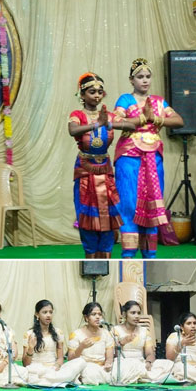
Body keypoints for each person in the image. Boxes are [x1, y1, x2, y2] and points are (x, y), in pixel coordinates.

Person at [113, 58, 183, 259]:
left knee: (153, 203)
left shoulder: (159, 102)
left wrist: (156, 119)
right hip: (129, 156)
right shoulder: (126, 100)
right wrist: (142, 119)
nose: (144, 80)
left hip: (153, 157)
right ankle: (128, 253)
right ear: (131, 80)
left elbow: (179, 120)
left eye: (147, 76)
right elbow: (115, 121)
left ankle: (149, 254)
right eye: (140, 77)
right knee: (129, 203)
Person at [68, 73, 134, 258]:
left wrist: (110, 124)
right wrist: (97, 124)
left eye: (99, 92)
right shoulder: (78, 115)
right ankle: (90, 255)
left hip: (105, 171)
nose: (97, 95)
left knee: (108, 214)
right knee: (86, 213)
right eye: (92, 92)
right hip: (85, 170)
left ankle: (106, 256)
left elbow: (131, 126)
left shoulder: (108, 115)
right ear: (82, 95)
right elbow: (72, 130)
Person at [22, 300, 85, 387]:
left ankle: (47, 381)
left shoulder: (58, 333)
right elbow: (26, 364)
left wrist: (56, 366)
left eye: (50, 312)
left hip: (53, 369)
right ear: (37, 314)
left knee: (80, 361)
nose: (48, 315)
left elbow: (60, 358)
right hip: (36, 369)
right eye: (45, 312)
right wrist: (31, 348)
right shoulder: (29, 334)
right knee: (24, 372)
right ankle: (55, 380)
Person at [113, 301, 173, 383]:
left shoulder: (144, 331)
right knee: (128, 368)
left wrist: (148, 362)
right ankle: (143, 376)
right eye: (133, 313)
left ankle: (140, 375)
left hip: (141, 362)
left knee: (168, 364)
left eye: (138, 313)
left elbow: (150, 353)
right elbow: (114, 354)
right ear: (124, 314)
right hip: (123, 363)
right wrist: (122, 343)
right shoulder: (116, 330)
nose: (137, 316)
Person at [67, 302, 114, 385]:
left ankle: (103, 376)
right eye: (93, 314)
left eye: (100, 314)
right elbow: (70, 359)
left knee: (121, 368)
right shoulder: (76, 334)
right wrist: (81, 347)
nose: (98, 317)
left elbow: (109, 358)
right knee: (90, 373)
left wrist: (108, 364)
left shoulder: (106, 333)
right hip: (85, 368)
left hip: (102, 368)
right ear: (86, 317)